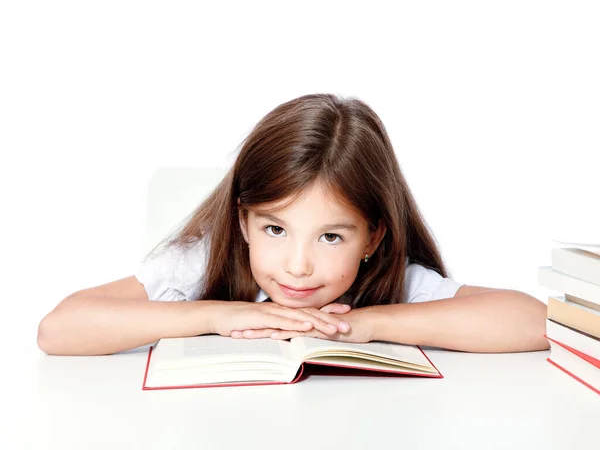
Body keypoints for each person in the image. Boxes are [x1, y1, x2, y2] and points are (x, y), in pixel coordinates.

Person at [37, 93, 550, 356]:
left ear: (373, 236)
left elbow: (535, 321)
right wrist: (218, 316)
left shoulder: (394, 284)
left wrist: (364, 325)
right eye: (275, 230)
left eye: (331, 236)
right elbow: (59, 328)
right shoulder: (204, 260)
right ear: (242, 221)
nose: (298, 266)